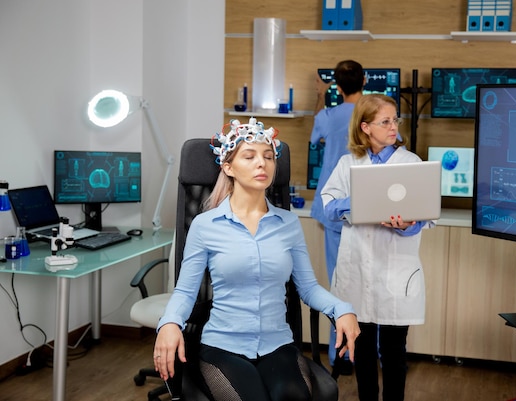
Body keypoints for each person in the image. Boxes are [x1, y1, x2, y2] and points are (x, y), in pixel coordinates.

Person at [153, 118, 360, 401]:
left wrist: (342, 309)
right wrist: (169, 323)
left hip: (278, 345)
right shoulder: (205, 225)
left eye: (269, 157)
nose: (261, 163)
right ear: (228, 167)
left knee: (292, 397)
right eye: (249, 156)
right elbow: (186, 291)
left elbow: (308, 288)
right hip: (223, 346)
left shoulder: (288, 223)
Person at [321, 94, 436, 401]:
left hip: (396, 269)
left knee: (394, 351)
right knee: (363, 347)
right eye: (385, 121)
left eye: (395, 120)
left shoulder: (410, 163)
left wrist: (408, 224)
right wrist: (360, 202)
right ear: (366, 127)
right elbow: (328, 205)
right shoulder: (348, 164)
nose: (393, 127)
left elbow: (425, 214)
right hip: (358, 268)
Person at [310, 59, 364, 370]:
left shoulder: (330, 115)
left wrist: (321, 94)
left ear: (338, 86)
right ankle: (371, 353)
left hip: (333, 208)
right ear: (365, 80)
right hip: (366, 206)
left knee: (338, 285)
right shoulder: (371, 114)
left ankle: (340, 355)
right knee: (368, 283)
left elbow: (313, 137)